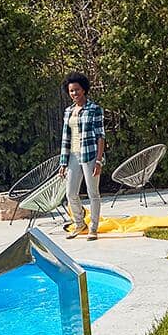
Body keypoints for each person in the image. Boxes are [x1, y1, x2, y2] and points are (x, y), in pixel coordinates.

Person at [60, 72, 106, 240]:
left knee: (93, 192)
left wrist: (99, 161)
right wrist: (63, 163)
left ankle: (93, 227)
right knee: (70, 193)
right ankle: (79, 223)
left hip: (90, 155)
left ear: (84, 90)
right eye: (71, 91)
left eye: (77, 90)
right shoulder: (68, 111)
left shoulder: (94, 109)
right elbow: (66, 138)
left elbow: (101, 136)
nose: (74, 94)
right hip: (73, 155)